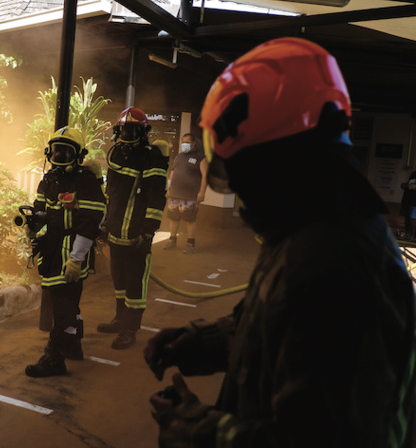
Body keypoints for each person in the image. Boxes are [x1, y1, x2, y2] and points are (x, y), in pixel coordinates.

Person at [143, 37, 416, 447]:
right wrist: (204, 343)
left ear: (285, 163)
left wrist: (198, 429)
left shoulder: (338, 263)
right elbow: (290, 331)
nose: (240, 186)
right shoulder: (311, 230)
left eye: (246, 170)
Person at [24, 126, 106, 378]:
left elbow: (91, 222)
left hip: (71, 253)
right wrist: (33, 226)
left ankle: (54, 358)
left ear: (78, 155)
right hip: (52, 251)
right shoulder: (49, 179)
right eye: (56, 151)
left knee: (63, 306)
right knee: (69, 302)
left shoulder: (85, 182)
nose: (59, 157)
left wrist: (76, 258)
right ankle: (72, 345)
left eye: (65, 152)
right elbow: (42, 210)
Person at [97, 107, 169, 349]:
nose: (127, 134)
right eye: (124, 129)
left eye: (132, 130)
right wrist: (106, 225)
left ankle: (130, 329)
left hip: (138, 233)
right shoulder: (116, 154)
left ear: (143, 132)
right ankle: (119, 319)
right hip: (116, 231)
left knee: (135, 283)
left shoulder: (152, 157)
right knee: (119, 280)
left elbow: (156, 196)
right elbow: (112, 195)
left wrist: (149, 230)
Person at [162, 133, 208, 254]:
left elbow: (205, 176)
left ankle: (190, 244)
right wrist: (168, 188)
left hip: (190, 196)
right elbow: (172, 173)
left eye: (187, 142)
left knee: (190, 219)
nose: (184, 144)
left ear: (193, 144)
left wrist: (202, 192)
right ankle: (172, 241)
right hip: (174, 194)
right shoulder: (179, 156)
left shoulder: (200, 157)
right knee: (173, 218)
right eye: (183, 142)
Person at [400, 170, 416, 240]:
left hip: (414, 202)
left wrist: (414, 187)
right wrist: (405, 185)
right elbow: (408, 184)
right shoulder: (414, 173)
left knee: (413, 219)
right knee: (409, 218)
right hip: (410, 201)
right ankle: (409, 233)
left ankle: (413, 235)